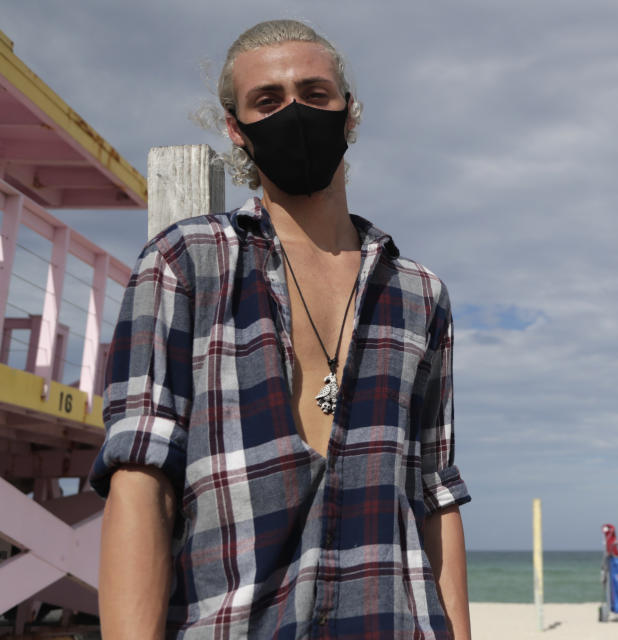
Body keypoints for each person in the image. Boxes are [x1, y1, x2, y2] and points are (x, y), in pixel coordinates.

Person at [90, 19, 471, 639]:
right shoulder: (186, 265)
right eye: (268, 99)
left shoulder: (419, 294)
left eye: (316, 94)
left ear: (350, 113)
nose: (295, 111)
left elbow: (435, 493)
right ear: (236, 130)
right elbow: (141, 477)